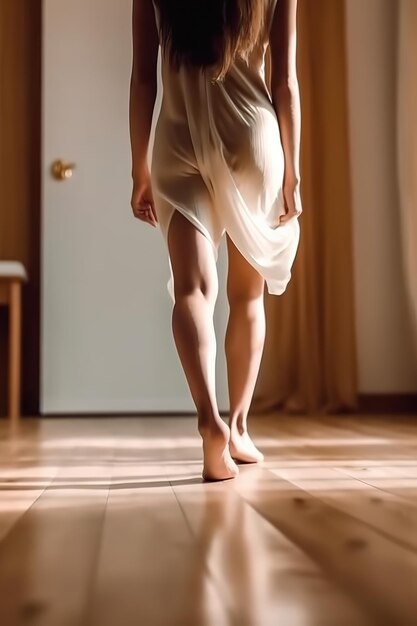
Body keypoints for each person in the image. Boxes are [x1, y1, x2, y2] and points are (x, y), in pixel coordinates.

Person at [129, 0, 302, 481]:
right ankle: (241, 426)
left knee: (192, 291)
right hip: (253, 138)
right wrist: (293, 171)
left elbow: (143, 77)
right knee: (247, 295)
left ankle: (210, 421)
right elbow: (284, 82)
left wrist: (140, 168)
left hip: (177, 139)